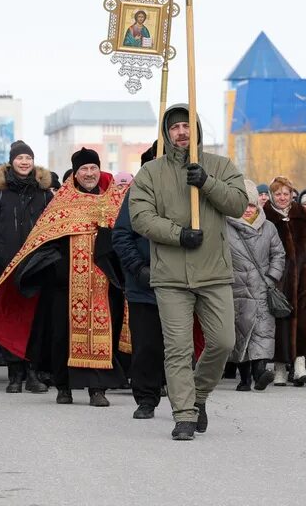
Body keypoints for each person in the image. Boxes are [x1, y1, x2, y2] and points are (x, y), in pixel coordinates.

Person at [129, 104, 248, 441]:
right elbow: (140, 217)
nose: (181, 132)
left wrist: (207, 183)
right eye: (174, 127)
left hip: (214, 272)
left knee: (223, 342)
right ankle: (183, 415)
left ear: (196, 130)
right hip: (171, 275)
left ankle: (197, 395)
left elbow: (239, 204)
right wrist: (178, 234)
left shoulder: (220, 166)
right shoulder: (150, 173)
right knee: (178, 348)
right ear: (166, 134)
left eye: (186, 126)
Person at [0, 149, 125, 407]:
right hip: (64, 283)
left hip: (103, 284)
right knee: (62, 335)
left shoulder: (113, 200)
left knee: (102, 333)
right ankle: (64, 386)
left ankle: (97, 388)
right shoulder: (61, 201)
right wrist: (58, 267)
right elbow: (43, 240)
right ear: (76, 173)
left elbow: (124, 238)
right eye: (84, 169)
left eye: (93, 168)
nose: (89, 174)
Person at [0, 140, 53, 395]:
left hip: (37, 266)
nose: (24, 162)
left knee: (34, 321)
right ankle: (14, 374)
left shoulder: (44, 193)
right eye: (20, 158)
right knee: (11, 318)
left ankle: (33, 373)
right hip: (7, 266)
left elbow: (52, 230)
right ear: (12, 161)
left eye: (28, 158)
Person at [111, 145, 166, 419]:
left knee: (180, 345)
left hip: (179, 282)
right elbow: (121, 235)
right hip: (143, 284)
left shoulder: (188, 192)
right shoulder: (137, 193)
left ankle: (188, 400)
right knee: (146, 345)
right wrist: (138, 268)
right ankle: (146, 398)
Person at [227, 180, 285, 392]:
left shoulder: (268, 227)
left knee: (262, 332)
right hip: (236, 290)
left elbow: (278, 254)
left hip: (262, 290)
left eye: (252, 205)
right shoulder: (226, 227)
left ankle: (260, 373)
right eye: (244, 204)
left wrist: (271, 277)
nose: (248, 209)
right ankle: (244, 379)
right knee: (241, 333)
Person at [262, 175, 306, 386]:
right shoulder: (265, 216)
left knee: (303, 319)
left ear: (292, 194)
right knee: (279, 320)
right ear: (272, 195)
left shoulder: (302, 213)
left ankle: (300, 365)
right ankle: (280, 367)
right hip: (278, 278)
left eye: (286, 193)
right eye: (278, 194)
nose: (283, 197)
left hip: (303, 277)